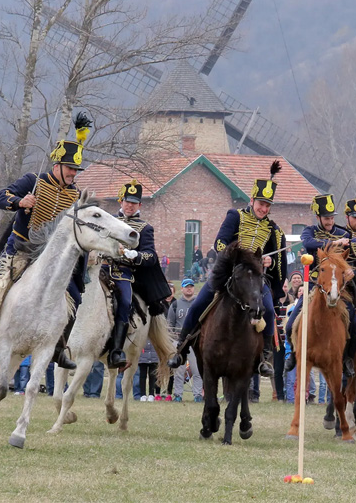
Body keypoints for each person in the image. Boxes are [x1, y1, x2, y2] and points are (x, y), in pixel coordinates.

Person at [0, 114, 95, 371]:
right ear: (57, 166)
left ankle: (59, 347)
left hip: (53, 259)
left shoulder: (76, 195)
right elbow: (0, 197)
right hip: (20, 249)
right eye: (70, 168)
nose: (73, 173)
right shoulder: (33, 181)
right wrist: (19, 202)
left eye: (76, 170)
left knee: (75, 297)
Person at [168, 161, 288, 378]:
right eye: (261, 203)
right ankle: (181, 349)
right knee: (199, 303)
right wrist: (240, 256)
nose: (264, 208)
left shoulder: (273, 229)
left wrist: (267, 263)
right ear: (252, 200)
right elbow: (220, 244)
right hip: (229, 274)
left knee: (268, 309)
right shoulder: (236, 216)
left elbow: (275, 258)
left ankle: (265, 357)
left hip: (254, 280)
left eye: (268, 206)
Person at [283, 192, 356, 377]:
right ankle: (293, 355)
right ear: (318, 217)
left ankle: (349, 358)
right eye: (326, 218)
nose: (329, 221)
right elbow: (309, 244)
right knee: (290, 324)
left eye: (331, 218)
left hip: (339, 287)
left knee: (352, 321)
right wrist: (334, 242)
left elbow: (354, 260)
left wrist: (352, 271)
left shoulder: (344, 233)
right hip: (314, 284)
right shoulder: (310, 231)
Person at [101, 179, 170, 369]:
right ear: (120, 201)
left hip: (123, 273)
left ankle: (116, 352)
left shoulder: (145, 228)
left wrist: (135, 255)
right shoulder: (108, 221)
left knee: (124, 302)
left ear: (140, 205)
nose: (130, 206)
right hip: (102, 268)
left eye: (134, 203)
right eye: (127, 201)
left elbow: (151, 256)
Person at [169, 279, 201, 402]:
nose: (189, 288)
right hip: (179, 342)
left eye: (191, 286)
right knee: (179, 371)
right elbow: (170, 324)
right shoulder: (175, 304)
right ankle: (178, 394)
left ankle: (198, 395)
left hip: (195, 341)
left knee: (197, 370)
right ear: (182, 289)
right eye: (186, 286)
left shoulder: (198, 305)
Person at [137, 337, 160, 401]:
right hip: (142, 356)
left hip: (154, 356)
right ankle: (142, 394)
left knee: (153, 376)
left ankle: (151, 394)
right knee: (142, 376)